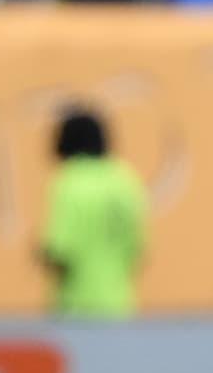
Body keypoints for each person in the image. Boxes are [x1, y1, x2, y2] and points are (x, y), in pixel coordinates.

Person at [39, 107, 149, 318]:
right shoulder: (125, 179)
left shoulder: (69, 180)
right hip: (119, 306)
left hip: (76, 308)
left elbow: (58, 250)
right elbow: (139, 249)